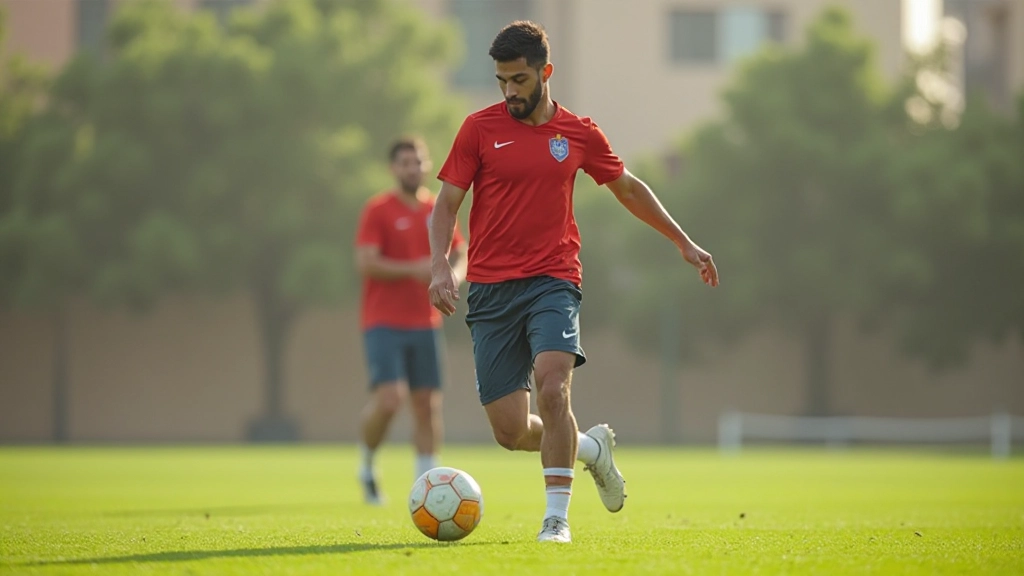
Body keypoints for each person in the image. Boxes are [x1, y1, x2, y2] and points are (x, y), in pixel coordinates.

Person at [427, 21, 719, 542]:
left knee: (553, 387)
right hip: (492, 290)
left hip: (553, 279)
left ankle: (556, 519)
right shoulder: (478, 128)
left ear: (546, 72)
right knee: (511, 430)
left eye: (519, 79)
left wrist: (683, 242)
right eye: (502, 81)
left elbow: (627, 188)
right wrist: (438, 268)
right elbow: (447, 203)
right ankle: (591, 449)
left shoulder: (579, 134)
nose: (510, 91)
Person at [354, 137, 467, 505]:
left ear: (426, 164)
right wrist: (414, 270)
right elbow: (367, 262)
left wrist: (452, 276)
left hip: (425, 322)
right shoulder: (378, 209)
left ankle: (427, 487)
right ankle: (368, 465)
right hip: (383, 320)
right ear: (393, 168)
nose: (412, 168)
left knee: (426, 404)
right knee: (390, 400)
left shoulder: (437, 208)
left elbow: (462, 252)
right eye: (404, 162)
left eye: (417, 162)